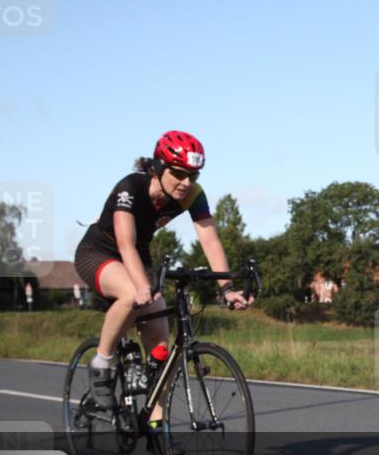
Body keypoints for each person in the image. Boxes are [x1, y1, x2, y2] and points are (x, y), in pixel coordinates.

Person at [74, 130, 252, 424]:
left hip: (138, 255)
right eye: (179, 173)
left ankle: (156, 427)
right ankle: (101, 362)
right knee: (133, 294)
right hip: (100, 251)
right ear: (158, 167)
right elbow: (125, 244)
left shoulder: (193, 194)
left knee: (161, 353)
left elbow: (210, 240)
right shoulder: (130, 187)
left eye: (193, 176)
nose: (186, 183)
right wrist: (142, 285)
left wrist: (227, 287)